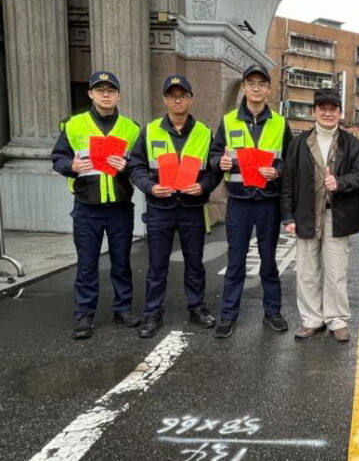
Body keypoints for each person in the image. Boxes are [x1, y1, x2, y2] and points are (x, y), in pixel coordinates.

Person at [51, 71, 141, 339]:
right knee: (87, 263)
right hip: (86, 205)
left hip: (119, 206)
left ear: (118, 95)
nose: (105, 94)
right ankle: (84, 315)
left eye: (110, 90)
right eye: (99, 89)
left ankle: (122, 308)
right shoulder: (73, 125)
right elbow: (57, 159)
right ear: (90, 93)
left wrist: (127, 167)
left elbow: (139, 165)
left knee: (121, 262)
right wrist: (72, 166)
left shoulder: (131, 128)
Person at [129, 75, 219, 338]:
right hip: (160, 207)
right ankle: (152, 313)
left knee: (194, 263)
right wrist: (150, 187)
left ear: (191, 98)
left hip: (192, 207)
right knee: (157, 265)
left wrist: (204, 186)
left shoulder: (204, 132)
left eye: (183, 94)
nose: (177, 99)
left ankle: (197, 306)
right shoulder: (150, 130)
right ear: (165, 99)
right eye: (172, 95)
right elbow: (136, 166)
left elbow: (213, 171)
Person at [209, 63, 293, 338]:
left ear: (268, 89)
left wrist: (278, 171)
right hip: (240, 201)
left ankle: (272, 312)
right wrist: (218, 161)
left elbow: (290, 162)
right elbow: (214, 154)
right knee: (236, 260)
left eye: (261, 84)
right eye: (251, 83)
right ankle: (228, 315)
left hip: (268, 201)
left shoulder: (280, 123)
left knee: (269, 261)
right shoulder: (229, 120)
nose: (256, 89)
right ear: (244, 87)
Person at [281, 89, 359, 342]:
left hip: (335, 216)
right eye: (322, 108)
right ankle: (311, 319)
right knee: (307, 270)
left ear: (340, 113)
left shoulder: (352, 144)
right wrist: (288, 217)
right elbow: (288, 183)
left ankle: (336, 320)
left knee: (336, 270)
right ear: (313, 112)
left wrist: (339, 182)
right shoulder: (298, 143)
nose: (328, 113)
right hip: (305, 214)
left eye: (333, 109)